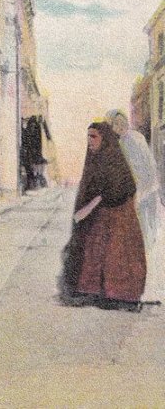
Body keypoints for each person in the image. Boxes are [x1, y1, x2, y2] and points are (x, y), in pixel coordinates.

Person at [61, 122, 146, 311]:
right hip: (103, 216)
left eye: (94, 137)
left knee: (116, 253)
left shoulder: (113, 159)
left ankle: (121, 296)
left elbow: (114, 189)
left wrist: (88, 209)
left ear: (104, 139)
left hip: (118, 215)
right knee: (95, 249)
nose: (89, 141)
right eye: (88, 137)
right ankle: (93, 291)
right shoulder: (94, 160)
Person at [106, 109, 162, 301]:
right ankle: (138, 286)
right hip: (134, 196)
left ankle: (150, 288)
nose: (120, 126)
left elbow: (148, 168)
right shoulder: (119, 144)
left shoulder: (137, 139)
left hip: (146, 194)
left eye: (122, 122)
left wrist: (143, 192)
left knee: (148, 237)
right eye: (116, 124)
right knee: (136, 240)